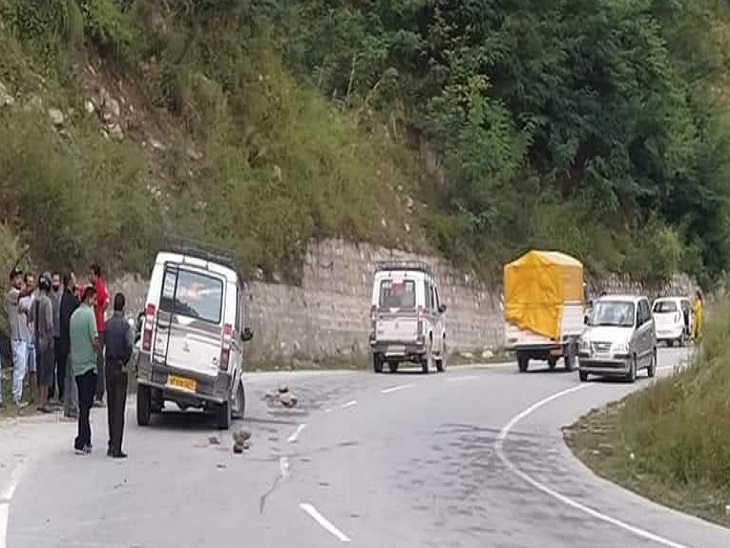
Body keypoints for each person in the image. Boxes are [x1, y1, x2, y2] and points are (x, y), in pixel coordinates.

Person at [70, 286, 102, 454]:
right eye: (94, 299)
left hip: (77, 366)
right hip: (89, 365)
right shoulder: (89, 315)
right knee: (85, 406)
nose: (96, 303)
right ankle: (80, 441)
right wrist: (100, 354)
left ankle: (87, 439)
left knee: (84, 404)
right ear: (89, 298)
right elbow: (94, 339)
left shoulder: (74, 316)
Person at [104, 293, 134, 458]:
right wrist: (124, 361)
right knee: (119, 408)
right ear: (123, 306)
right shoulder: (126, 326)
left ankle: (110, 443)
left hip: (108, 366)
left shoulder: (108, 325)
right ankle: (117, 446)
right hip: (120, 366)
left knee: (111, 406)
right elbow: (129, 346)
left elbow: (103, 344)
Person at [30, 273, 55, 413]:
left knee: (39, 370)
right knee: (46, 371)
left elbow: (29, 318)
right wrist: (51, 338)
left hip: (36, 340)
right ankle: (43, 402)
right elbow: (50, 323)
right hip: (46, 340)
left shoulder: (35, 301)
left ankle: (40, 400)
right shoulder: (47, 302)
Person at [4, 267, 28, 407]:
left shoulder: (19, 294)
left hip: (23, 335)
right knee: (19, 367)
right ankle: (16, 396)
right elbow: (23, 294)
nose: (19, 280)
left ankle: (18, 395)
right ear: (12, 280)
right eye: (17, 278)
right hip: (17, 336)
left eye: (20, 277)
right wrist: (33, 287)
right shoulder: (12, 294)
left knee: (22, 367)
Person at [60, 271, 79, 419]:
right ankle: (72, 407)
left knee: (68, 375)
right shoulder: (69, 299)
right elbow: (69, 321)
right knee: (72, 376)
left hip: (65, 341)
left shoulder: (64, 298)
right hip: (71, 342)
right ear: (70, 282)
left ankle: (68, 407)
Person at [90, 264, 109, 406]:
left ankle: (99, 393)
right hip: (98, 326)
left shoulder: (99, 289)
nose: (90, 277)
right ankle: (97, 392)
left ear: (97, 275)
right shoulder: (98, 288)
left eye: (91, 274)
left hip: (99, 328)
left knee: (98, 361)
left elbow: (104, 302)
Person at [19, 273, 37, 404]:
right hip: (23, 337)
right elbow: (25, 311)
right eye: (29, 282)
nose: (31, 283)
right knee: (23, 369)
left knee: (33, 370)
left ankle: (33, 396)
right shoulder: (22, 300)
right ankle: (21, 396)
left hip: (33, 338)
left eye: (32, 281)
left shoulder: (35, 299)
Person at [49, 272, 63, 402]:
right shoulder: (48, 297)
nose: (56, 283)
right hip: (51, 335)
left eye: (58, 281)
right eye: (54, 281)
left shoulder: (61, 297)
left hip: (60, 336)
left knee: (61, 366)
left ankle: (62, 394)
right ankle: (51, 393)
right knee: (51, 365)